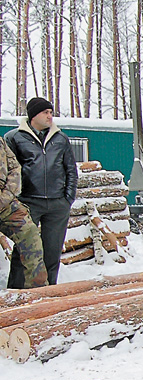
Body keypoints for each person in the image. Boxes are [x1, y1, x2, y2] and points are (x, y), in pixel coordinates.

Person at [5, 97, 78, 287]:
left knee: (52, 252)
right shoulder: (14, 137)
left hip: (57, 204)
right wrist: (16, 199)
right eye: (46, 112)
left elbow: (70, 169)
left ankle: (48, 293)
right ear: (33, 115)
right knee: (25, 249)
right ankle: (16, 292)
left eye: (51, 112)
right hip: (28, 202)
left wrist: (67, 198)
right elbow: (10, 169)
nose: (50, 116)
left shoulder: (60, 138)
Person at [0, 136, 48, 288]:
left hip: (5, 203)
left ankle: (38, 293)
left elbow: (14, 168)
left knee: (30, 233)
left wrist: (5, 197)